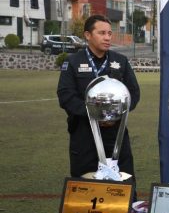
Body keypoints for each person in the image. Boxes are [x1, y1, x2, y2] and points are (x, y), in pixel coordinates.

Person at [57, 14, 140, 180]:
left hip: (116, 132)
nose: (108, 37)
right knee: (85, 180)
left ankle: (125, 206)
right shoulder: (73, 61)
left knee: (123, 179)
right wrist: (94, 115)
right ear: (88, 35)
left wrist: (115, 114)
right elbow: (65, 95)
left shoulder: (120, 61)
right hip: (84, 132)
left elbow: (133, 93)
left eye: (109, 33)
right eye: (102, 33)